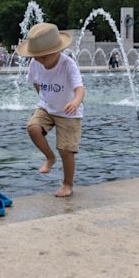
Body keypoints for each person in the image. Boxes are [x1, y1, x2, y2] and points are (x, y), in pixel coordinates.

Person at [16, 23, 85, 197]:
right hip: (46, 107)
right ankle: (49, 157)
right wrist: (43, 99)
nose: (40, 61)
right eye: (36, 57)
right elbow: (35, 82)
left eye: (44, 57)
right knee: (32, 128)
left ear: (57, 50)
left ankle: (67, 184)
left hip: (69, 111)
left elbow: (80, 89)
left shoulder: (68, 65)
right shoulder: (36, 63)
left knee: (66, 150)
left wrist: (75, 102)